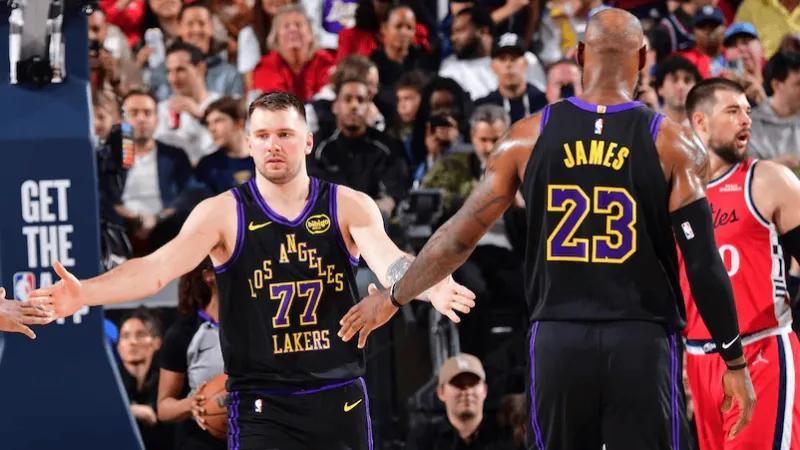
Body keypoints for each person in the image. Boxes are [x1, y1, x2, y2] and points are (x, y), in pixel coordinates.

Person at [339, 8, 757, 449]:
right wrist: (733, 359)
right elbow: (704, 264)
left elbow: (457, 237)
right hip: (641, 338)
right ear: (642, 58)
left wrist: (395, 295)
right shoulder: (671, 143)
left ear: (579, 54)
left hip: (558, 340)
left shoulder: (527, 135)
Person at [33, 91, 474, 449]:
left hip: (338, 395)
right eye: (262, 135)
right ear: (248, 144)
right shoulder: (222, 213)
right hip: (262, 401)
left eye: (284, 134)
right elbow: (155, 269)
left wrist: (429, 285)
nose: (272, 145)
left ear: (308, 141)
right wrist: (84, 293)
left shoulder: (347, 204)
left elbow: (391, 261)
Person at [682, 78, 800, 449]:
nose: (746, 120)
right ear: (700, 122)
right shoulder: (678, 192)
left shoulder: (768, 180)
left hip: (760, 351)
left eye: (747, 111)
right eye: (733, 111)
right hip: (698, 360)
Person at [158, 258, 226, 450]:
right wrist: (192, 404)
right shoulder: (182, 333)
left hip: (255, 435)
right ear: (209, 276)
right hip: (200, 441)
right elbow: (163, 408)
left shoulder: (258, 326)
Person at [405, 353, 511, 450]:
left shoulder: (507, 435)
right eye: (458, 384)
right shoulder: (424, 439)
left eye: (473, 384)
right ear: (441, 392)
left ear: (484, 390)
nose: (467, 391)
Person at [116, 307, 173, 450]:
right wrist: (131, 410)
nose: (132, 342)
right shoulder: (108, 382)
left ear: (156, 343)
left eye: (141, 334)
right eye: (125, 336)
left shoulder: (168, 382)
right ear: (118, 346)